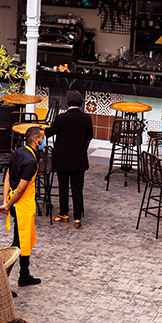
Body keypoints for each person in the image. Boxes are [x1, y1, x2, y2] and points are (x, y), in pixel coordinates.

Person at [0, 125, 43, 286]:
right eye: (42, 138)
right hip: (22, 206)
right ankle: (1, 279)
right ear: (36, 140)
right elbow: (21, 190)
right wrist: (8, 205)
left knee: (24, 240)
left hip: (15, 203)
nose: (43, 141)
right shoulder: (31, 162)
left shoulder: (17, 153)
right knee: (18, 243)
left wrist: (5, 201)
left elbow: (8, 177)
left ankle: (24, 274)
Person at [45, 90, 93, 228]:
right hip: (79, 159)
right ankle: (77, 218)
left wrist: (43, 128)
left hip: (62, 159)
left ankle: (64, 213)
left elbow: (50, 132)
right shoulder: (86, 118)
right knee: (77, 188)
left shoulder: (62, 118)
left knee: (63, 187)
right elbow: (89, 136)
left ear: (67, 103)